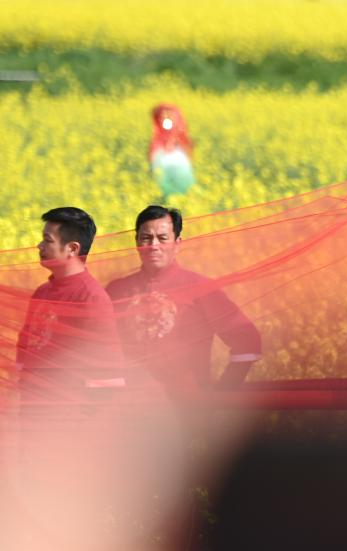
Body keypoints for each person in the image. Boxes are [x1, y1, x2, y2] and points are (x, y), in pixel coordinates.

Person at [106, 206, 261, 392]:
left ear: (177, 243)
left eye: (162, 238)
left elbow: (247, 338)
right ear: (137, 242)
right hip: (130, 403)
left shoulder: (201, 288)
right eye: (146, 238)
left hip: (186, 404)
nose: (153, 245)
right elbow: (97, 346)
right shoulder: (116, 290)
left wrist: (225, 390)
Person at [16, 207, 124, 400]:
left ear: (72, 249)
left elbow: (106, 369)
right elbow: (25, 345)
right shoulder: (42, 292)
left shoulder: (91, 298)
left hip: (65, 408)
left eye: (48, 240)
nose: (39, 246)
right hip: (32, 404)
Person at [150, 103, 195, 199]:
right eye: (162, 116)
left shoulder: (180, 141)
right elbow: (158, 173)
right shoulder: (157, 145)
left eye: (170, 115)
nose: (166, 118)